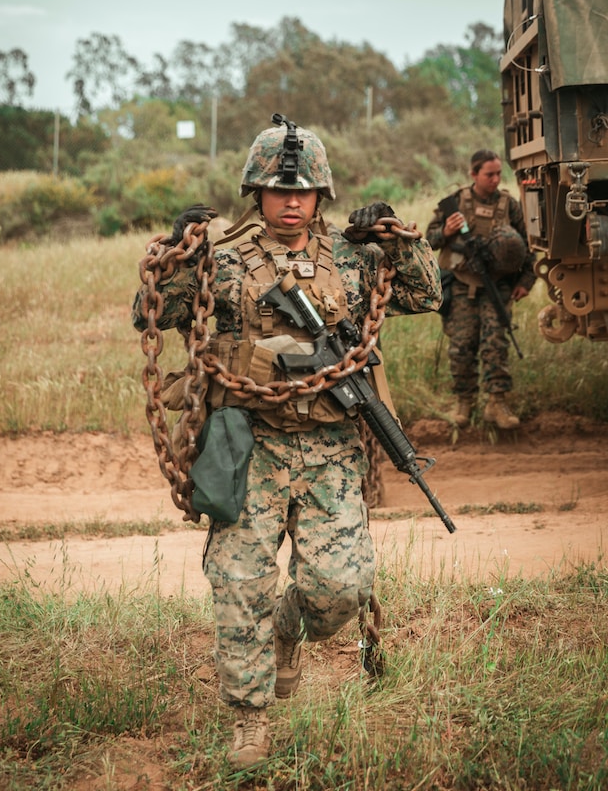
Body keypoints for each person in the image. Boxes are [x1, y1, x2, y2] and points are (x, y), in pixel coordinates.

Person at [132, 117, 441, 768]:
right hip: (250, 442)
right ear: (256, 191)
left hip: (330, 447)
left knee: (341, 590)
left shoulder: (352, 259)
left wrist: (396, 236)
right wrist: (179, 249)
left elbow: (424, 293)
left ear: (321, 193)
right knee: (240, 580)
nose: (291, 200)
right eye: (278, 189)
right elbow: (154, 312)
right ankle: (250, 719)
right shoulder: (223, 256)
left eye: (302, 190)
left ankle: (288, 631)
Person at [425, 148, 536, 430]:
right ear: (474, 174)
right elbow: (429, 241)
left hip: (496, 286)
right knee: (461, 347)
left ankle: (496, 403)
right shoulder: (454, 203)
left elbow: (528, 246)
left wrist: (525, 282)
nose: (495, 179)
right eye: (489, 174)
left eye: (499, 173)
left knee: (495, 345)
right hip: (462, 284)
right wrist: (447, 232)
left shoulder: (509, 205)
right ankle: (464, 403)